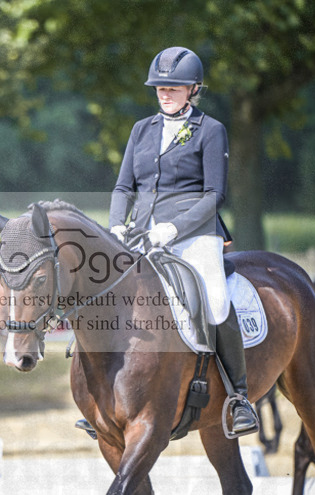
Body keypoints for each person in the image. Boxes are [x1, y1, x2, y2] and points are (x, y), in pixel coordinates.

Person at [109, 45, 259, 435]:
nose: (164, 94)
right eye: (159, 88)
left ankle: (239, 396)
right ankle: (106, 393)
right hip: (142, 232)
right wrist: (115, 226)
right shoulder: (142, 130)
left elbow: (214, 195)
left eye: (173, 88)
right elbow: (124, 185)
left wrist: (172, 229)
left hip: (195, 235)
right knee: (110, 295)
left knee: (213, 297)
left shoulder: (211, 130)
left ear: (193, 89)